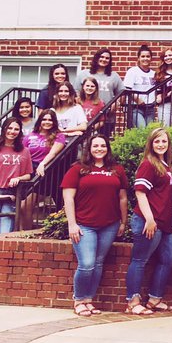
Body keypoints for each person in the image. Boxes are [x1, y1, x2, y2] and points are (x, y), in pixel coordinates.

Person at [61, 135, 129, 318]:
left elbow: (122, 198)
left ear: (107, 148)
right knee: (87, 264)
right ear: (89, 149)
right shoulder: (78, 169)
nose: (99, 149)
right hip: (84, 225)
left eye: (103, 145)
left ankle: (88, 300)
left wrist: (123, 222)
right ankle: (79, 299)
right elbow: (68, 198)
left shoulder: (117, 170)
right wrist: (72, 224)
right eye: (95, 146)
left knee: (98, 263)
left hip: (110, 224)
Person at [125, 127, 172, 316]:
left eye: (164, 141)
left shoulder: (167, 166)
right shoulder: (148, 164)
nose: (161, 145)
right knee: (139, 260)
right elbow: (140, 192)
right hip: (148, 221)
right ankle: (133, 301)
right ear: (151, 144)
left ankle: (155, 299)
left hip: (164, 224)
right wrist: (149, 219)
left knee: (169, 259)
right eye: (157, 141)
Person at [122, 45, 157, 129]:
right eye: (143, 56)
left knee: (149, 131)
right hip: (136, 107)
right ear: (138, 58)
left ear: (151, 58)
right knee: (142, 128)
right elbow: (127, 89)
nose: (145, 58)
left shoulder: (153, 73)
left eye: (148, 56)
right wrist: (138, 100)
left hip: (150, 107)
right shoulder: (133, 71)